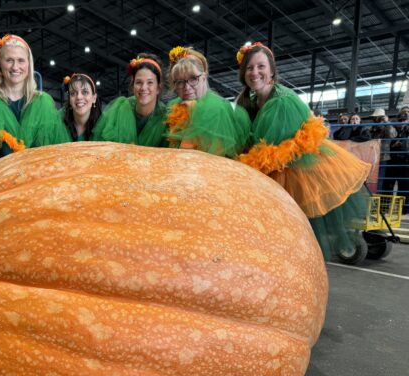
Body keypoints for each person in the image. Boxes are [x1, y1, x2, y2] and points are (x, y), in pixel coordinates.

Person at [235, 42, 371, 260]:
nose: (255, 72)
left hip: (296, 175)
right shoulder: (251, 99)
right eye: (249, 68)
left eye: (260, 66)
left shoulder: (282, 102)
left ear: (271, 70)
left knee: (291, 239)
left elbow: (270, 156)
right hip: (280, 173)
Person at [0, 34, 69, 156]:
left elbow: (55, 150)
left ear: (29, 64)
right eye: (9, 60)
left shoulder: (43, 103)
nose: (15, 67)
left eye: (21, 60)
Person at [164, 46, 249, 157]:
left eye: (193, 78)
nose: (186, 87)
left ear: (204, 78)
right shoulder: (174, 106)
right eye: (180, 82)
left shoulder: (216, 110)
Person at [92, 53, 167, 147]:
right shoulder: (118, 109)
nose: (143, 88)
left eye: (150, 82)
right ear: (132, 86)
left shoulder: (166, 118)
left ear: (158, 88)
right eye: (139, 82)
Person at [61, 73, 102, 141]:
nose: (79, 97)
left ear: (94, 98)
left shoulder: (104, 126)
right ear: (69, 99)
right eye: (73, 93)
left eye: (85, 92)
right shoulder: (58, 123)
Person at [383, 110, 409, 213]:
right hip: (392, 161)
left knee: (404, 186)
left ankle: (404, 210)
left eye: (404, 119)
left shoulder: (407, 130)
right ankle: (384, 208)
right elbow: (388, 139)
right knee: (387, 185)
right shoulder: (392, 129)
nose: (402, 122)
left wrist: (401, 144)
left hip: (405, 162)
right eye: (400, 120)